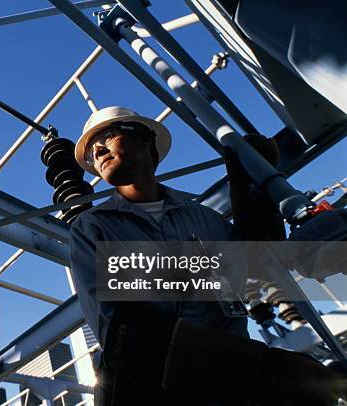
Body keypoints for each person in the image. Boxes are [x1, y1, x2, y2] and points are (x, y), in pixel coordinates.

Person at [68, 106, 346, 405]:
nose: (96, 150)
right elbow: (122, 333)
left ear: (145, 139)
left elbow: (262, 258)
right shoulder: (94, 227)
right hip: (153, 392)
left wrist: (251, 187)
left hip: (231, 384)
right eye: (90, 152)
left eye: (107, 136)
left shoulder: (205, 220)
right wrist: (267, 370)